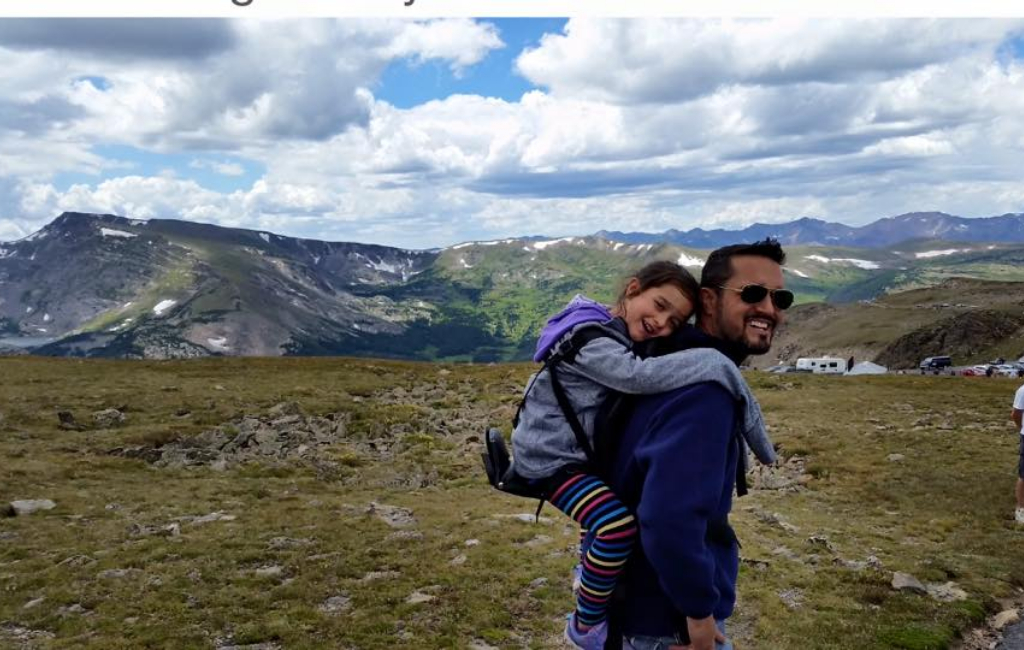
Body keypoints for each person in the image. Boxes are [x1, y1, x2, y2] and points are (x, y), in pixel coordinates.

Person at [508, 261, 776, 650]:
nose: (662, 323)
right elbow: (638, 377)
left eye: (676, 320)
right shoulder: (593, 340)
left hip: (571, 454)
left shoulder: (611, 326)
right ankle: (585, 624)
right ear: (632, 289)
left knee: (607, 507)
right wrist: (718, 364)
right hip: (551, 461)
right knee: (615, 526)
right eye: (659, 305)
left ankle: (589, 572)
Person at [600, 239, 791, 650]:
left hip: (632, 602)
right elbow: (668, 516)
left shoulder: (664, 358)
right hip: (665, 624)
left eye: (781, 298)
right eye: (753, 294)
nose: (770, 310)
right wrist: (700, 615)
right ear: (707, 300)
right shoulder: (706, 390)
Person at [1011, 382, 1024, 524]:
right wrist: (1022, 428)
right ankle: (1021, 508)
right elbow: (1015, 414)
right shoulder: (1023, 391)